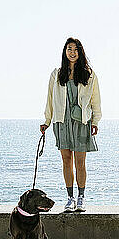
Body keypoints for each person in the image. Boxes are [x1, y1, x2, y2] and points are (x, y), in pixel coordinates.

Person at [40, 37, 102, 212]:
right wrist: (46, 121)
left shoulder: (89, 73)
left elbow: (95, 99)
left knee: (80, 162)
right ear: (64, 52)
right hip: (61, 121)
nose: (72, 52)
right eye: (69, 49)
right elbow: (50, 99)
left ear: (80, 52)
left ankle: (81, 198)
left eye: (75, 49)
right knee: (66, 161)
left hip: (82, 121)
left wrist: (95, 120)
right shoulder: (57, 73)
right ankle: (70, 198)